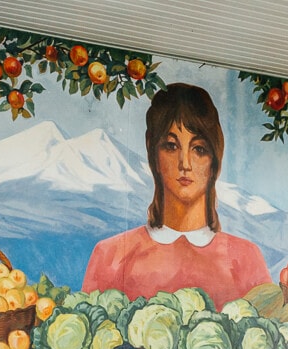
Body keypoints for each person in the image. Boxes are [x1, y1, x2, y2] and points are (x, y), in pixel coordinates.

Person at [82, 83, 272, 307]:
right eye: (171, 146)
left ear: (214, 160)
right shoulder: (109, 257)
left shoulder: (246, 259)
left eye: (199, 149)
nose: (185, 163)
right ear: (153, 152)